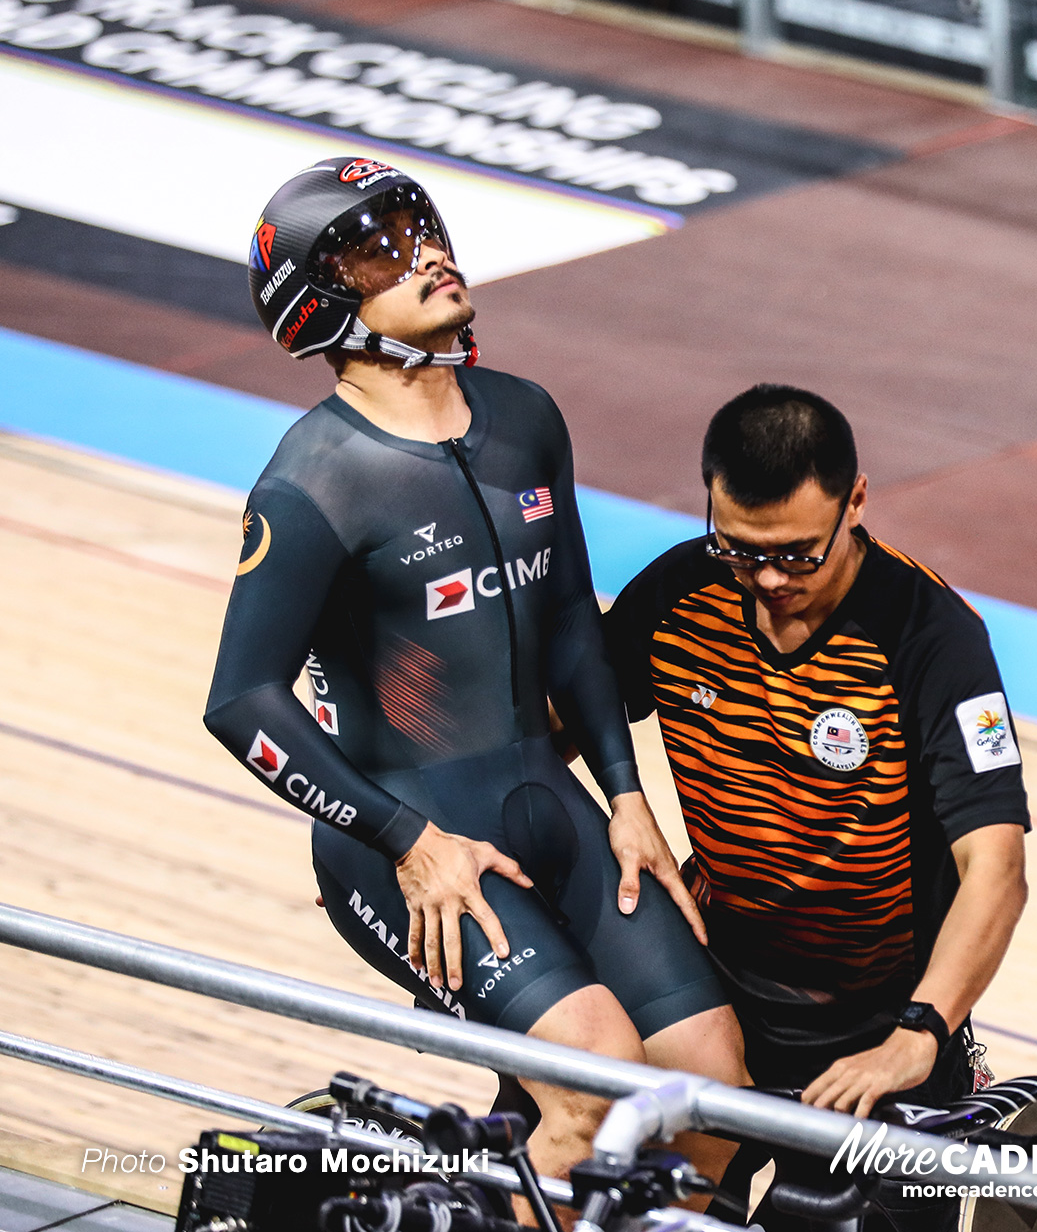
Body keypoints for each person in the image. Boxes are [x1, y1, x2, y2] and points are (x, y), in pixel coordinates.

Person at [204, 157, 746, 1195]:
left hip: (552, 796)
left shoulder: (525, 417)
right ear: (322, 305)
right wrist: (406, 844)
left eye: (424, 225)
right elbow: (241, 701)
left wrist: (630, 800)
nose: (430, 253)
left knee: (711, 1095)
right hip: (406, 835)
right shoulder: (313, 481)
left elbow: (576, 627)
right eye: (381, 248)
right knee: (598, 1098)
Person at [601, 384, 1030, 1231]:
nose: (766, 579)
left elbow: (998, 870)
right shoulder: (681, 591)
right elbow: (547, 724)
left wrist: (919, 1035)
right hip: (711, 1008)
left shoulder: (935, 639)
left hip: (878, 1041)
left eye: (798, 554)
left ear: (856, 501)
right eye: (740, 548)